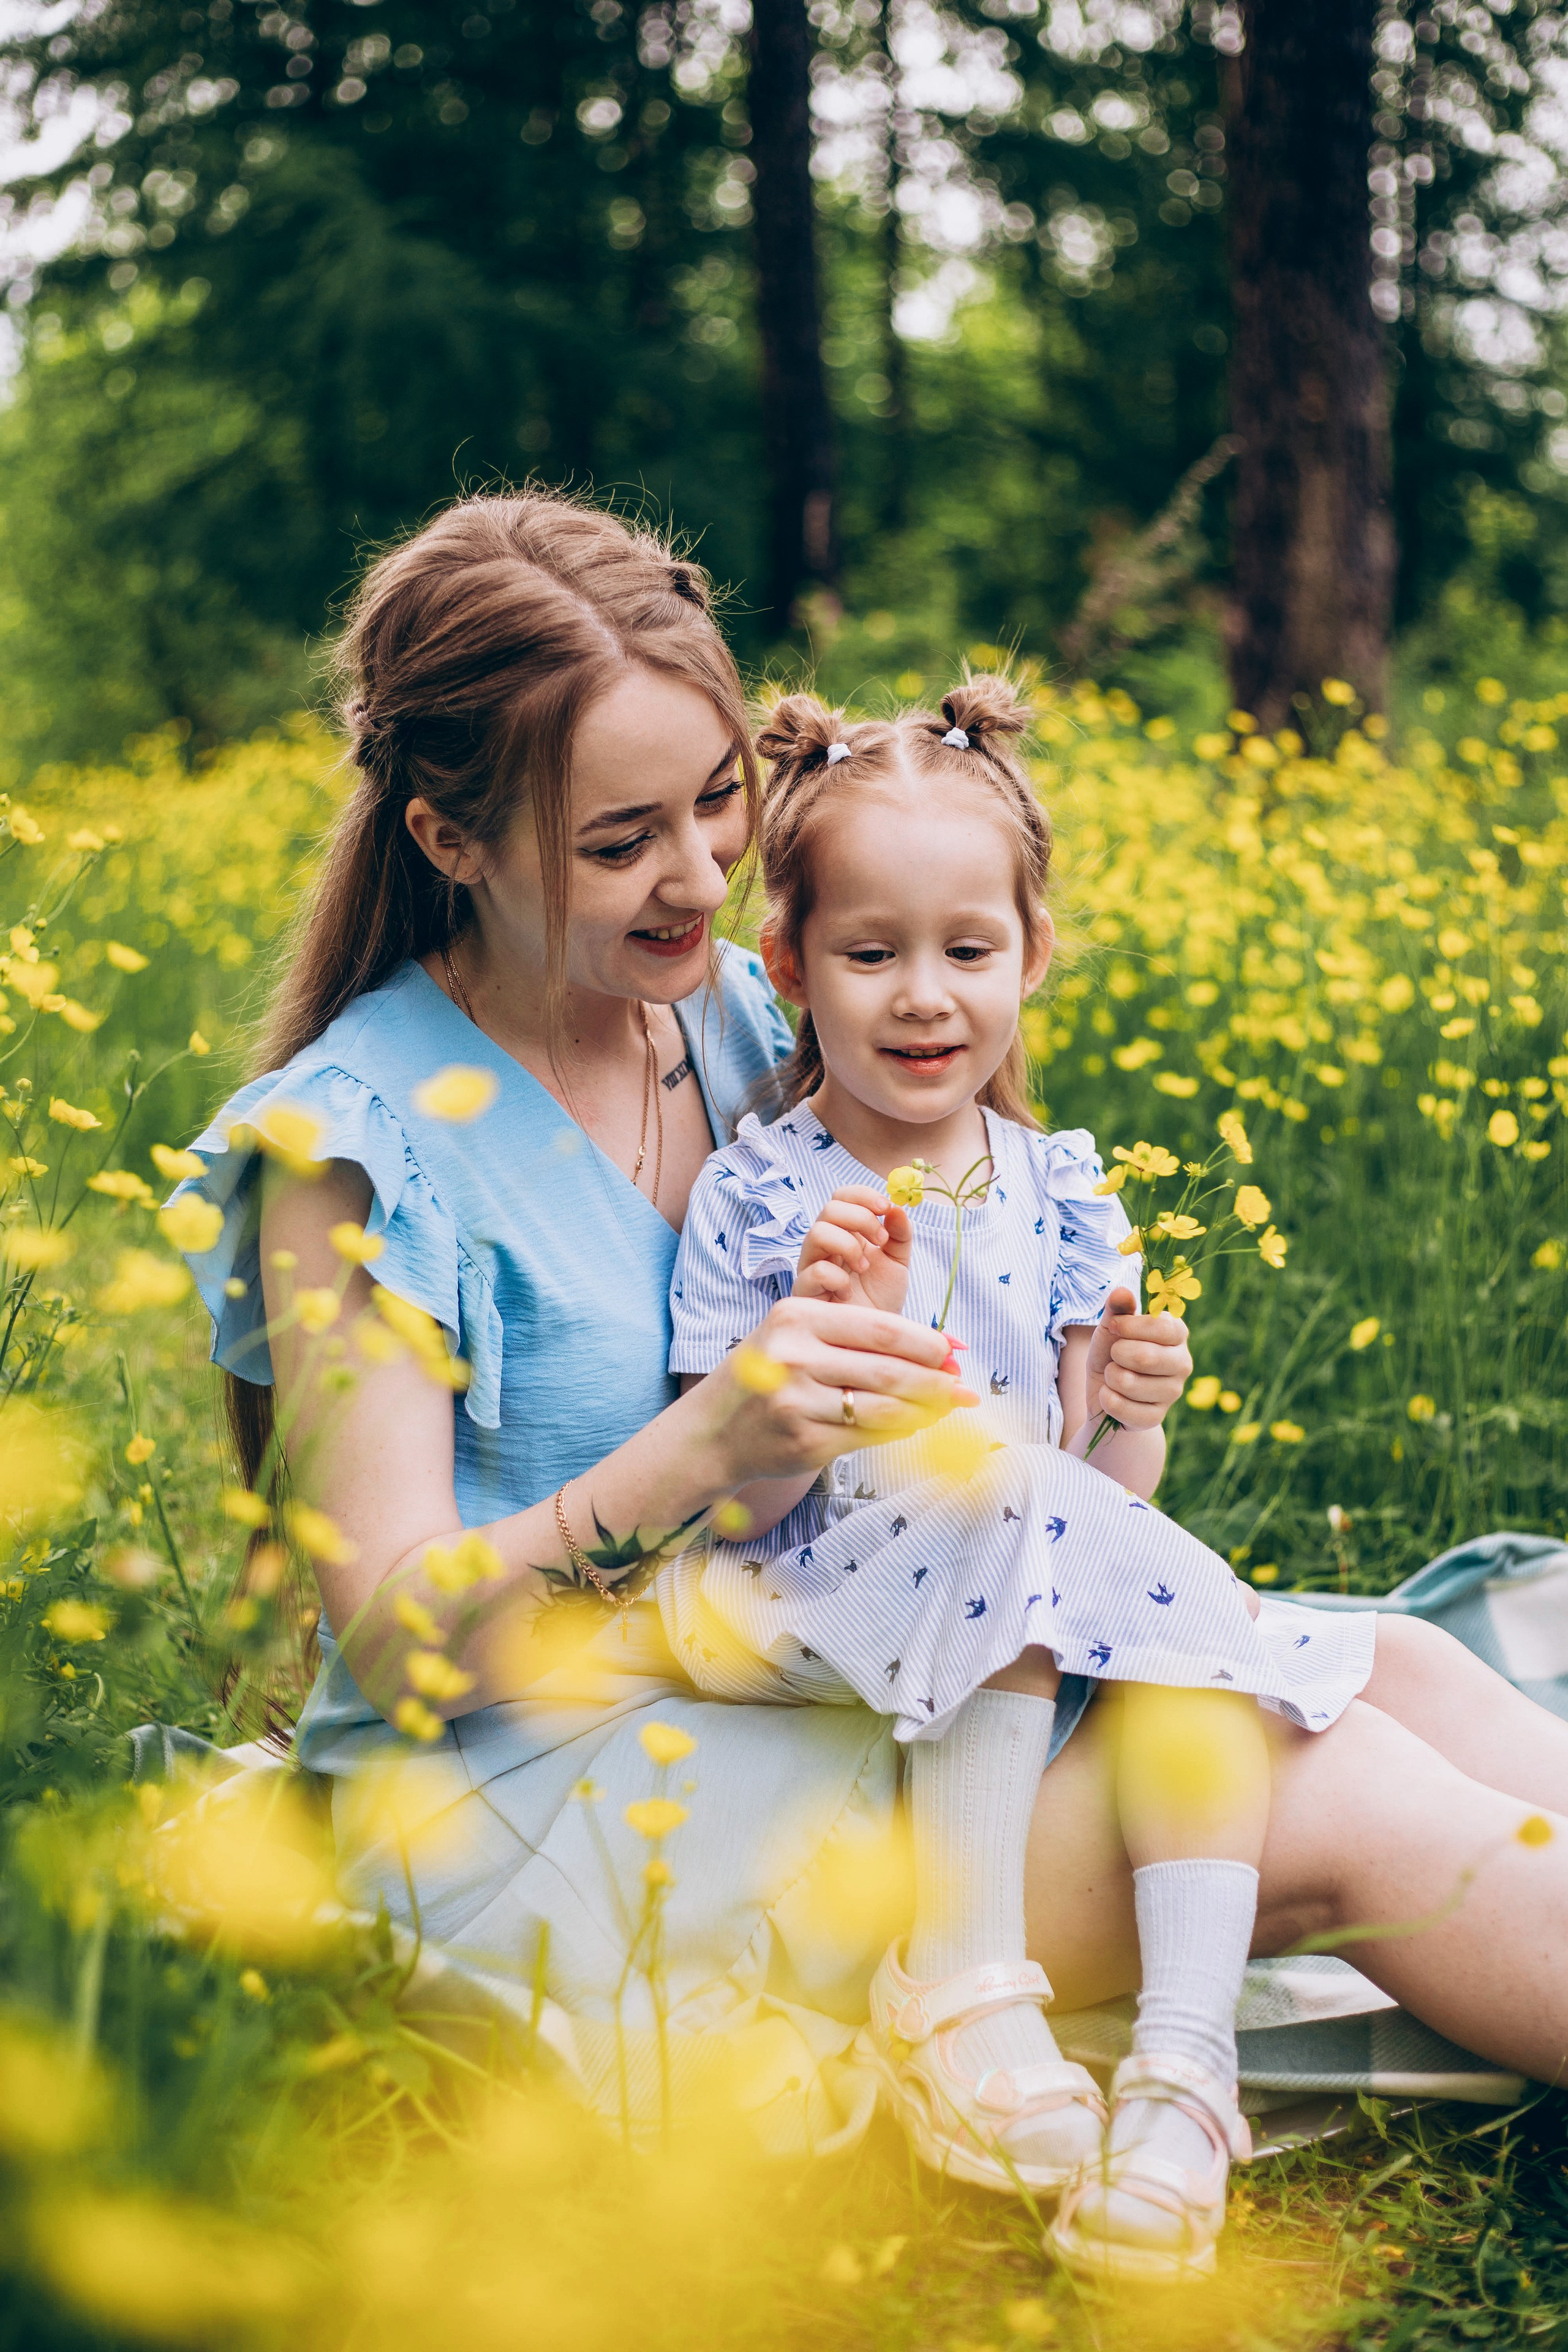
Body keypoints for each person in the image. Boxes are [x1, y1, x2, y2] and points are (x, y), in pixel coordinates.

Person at [167, 489, 1568, 2279]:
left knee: (1402, 1665)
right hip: (555, 1792)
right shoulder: (351, 1157)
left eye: (714, 805)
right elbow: (398, 1653)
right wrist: (691, 1454)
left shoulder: (727, 1014)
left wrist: (1097, 1384)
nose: (696, 877)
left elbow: (977, 1329)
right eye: (618, 842)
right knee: (1332, 1788)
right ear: (450, 834)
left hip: (828, 1653)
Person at [659, 679, 1370, 2275]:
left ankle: (1187, 2070)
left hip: (1015, 1614)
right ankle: (962, 1982)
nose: (924, 998)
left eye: (967, 951)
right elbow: (734, 1499)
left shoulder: (1061, 1188)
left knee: (1158, 1617)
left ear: (1030, 959)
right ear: (788, 970)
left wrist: (1127, 1403)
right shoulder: (767, 1192)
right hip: (803, 1614)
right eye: (870, 953)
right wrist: (816, 1338)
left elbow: (1111, 1496)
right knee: (1009, 1494)